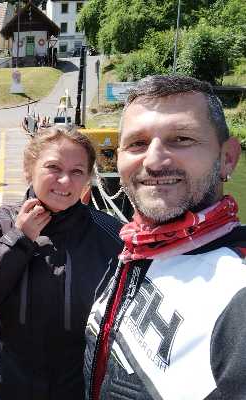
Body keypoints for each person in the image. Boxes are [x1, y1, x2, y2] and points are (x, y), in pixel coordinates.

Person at [84, 75, 244, 400]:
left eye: (181, 139)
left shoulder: (237, 292)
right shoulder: (137, 246)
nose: (154, 161)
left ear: (227, 157)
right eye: (137, 144)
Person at [0, 127, 123, 400]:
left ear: (88, 178)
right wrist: (18, 240)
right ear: (30, 169)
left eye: (77, 171)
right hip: (2, 385)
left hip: (76, 389)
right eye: (54, 167)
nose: (65, 180)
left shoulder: (112, 235)